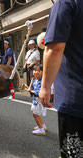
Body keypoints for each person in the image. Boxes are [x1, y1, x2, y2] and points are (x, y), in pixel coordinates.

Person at [39, 0, 83, 157]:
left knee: (74, 153)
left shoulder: (66, 3)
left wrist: (45, 87)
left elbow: (54, 49)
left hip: (76, 97)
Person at [22, 64, 47, 136]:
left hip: (39, 100)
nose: (36, 72)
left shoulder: (41, 81)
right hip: (36, 100)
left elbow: (39, 92)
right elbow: (31, 89)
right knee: (37, 114)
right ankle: (42, 126)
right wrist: (26, 86)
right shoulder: (34, 80)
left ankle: (41, 129)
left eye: (38, 71)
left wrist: (30, 91)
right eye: (35, 70)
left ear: (43, 72)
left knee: (35, 115)